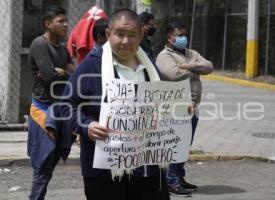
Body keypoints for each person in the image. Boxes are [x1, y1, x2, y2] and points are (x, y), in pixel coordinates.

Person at [60, 8, 170, 200]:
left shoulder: (150, 68)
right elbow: (66, 105)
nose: (126, 41)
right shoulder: (92, 66)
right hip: (105, 171)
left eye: (132, 35)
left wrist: (179, 109)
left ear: (141, 35)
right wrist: (87, 125)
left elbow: (163, 105)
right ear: (108, 35)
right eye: (120, 34)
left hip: (149, 169)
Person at [156, 21, 213, 197]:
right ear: (169, 37)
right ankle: (171, 182)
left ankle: (179, 177)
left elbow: (209, 67)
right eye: (179, 35)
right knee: (176, 145)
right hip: (176, 107)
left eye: (184, 35)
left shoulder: (190, 53)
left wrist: (187, 66)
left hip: (193, 106)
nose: (183, 38)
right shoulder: (164, 55)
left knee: (184, 146)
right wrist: (197, 69)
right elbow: (173, 74)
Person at [27, 5, 75, 200]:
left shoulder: (62, 49)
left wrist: (62, 72)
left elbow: (74, 74)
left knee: (53, 160)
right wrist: (61, 72)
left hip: (60, 109)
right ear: (47, 24)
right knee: (43, 162)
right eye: (60, 21)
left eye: (65, 21)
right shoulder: (39, 44)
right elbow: (47, 77)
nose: (65, 24)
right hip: (43, 109)